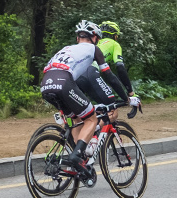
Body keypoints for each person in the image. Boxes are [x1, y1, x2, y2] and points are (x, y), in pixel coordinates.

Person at [40, 20, 132, 181]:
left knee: (76, 119)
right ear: (95, 38)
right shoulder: (94, 48)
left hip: (45, 84)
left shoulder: (66, 49)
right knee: (91, 118)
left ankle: (79, 157)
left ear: (78, 38)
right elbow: (109, 75)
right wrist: (127, 97)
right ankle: (76, 156)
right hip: (64, 82)